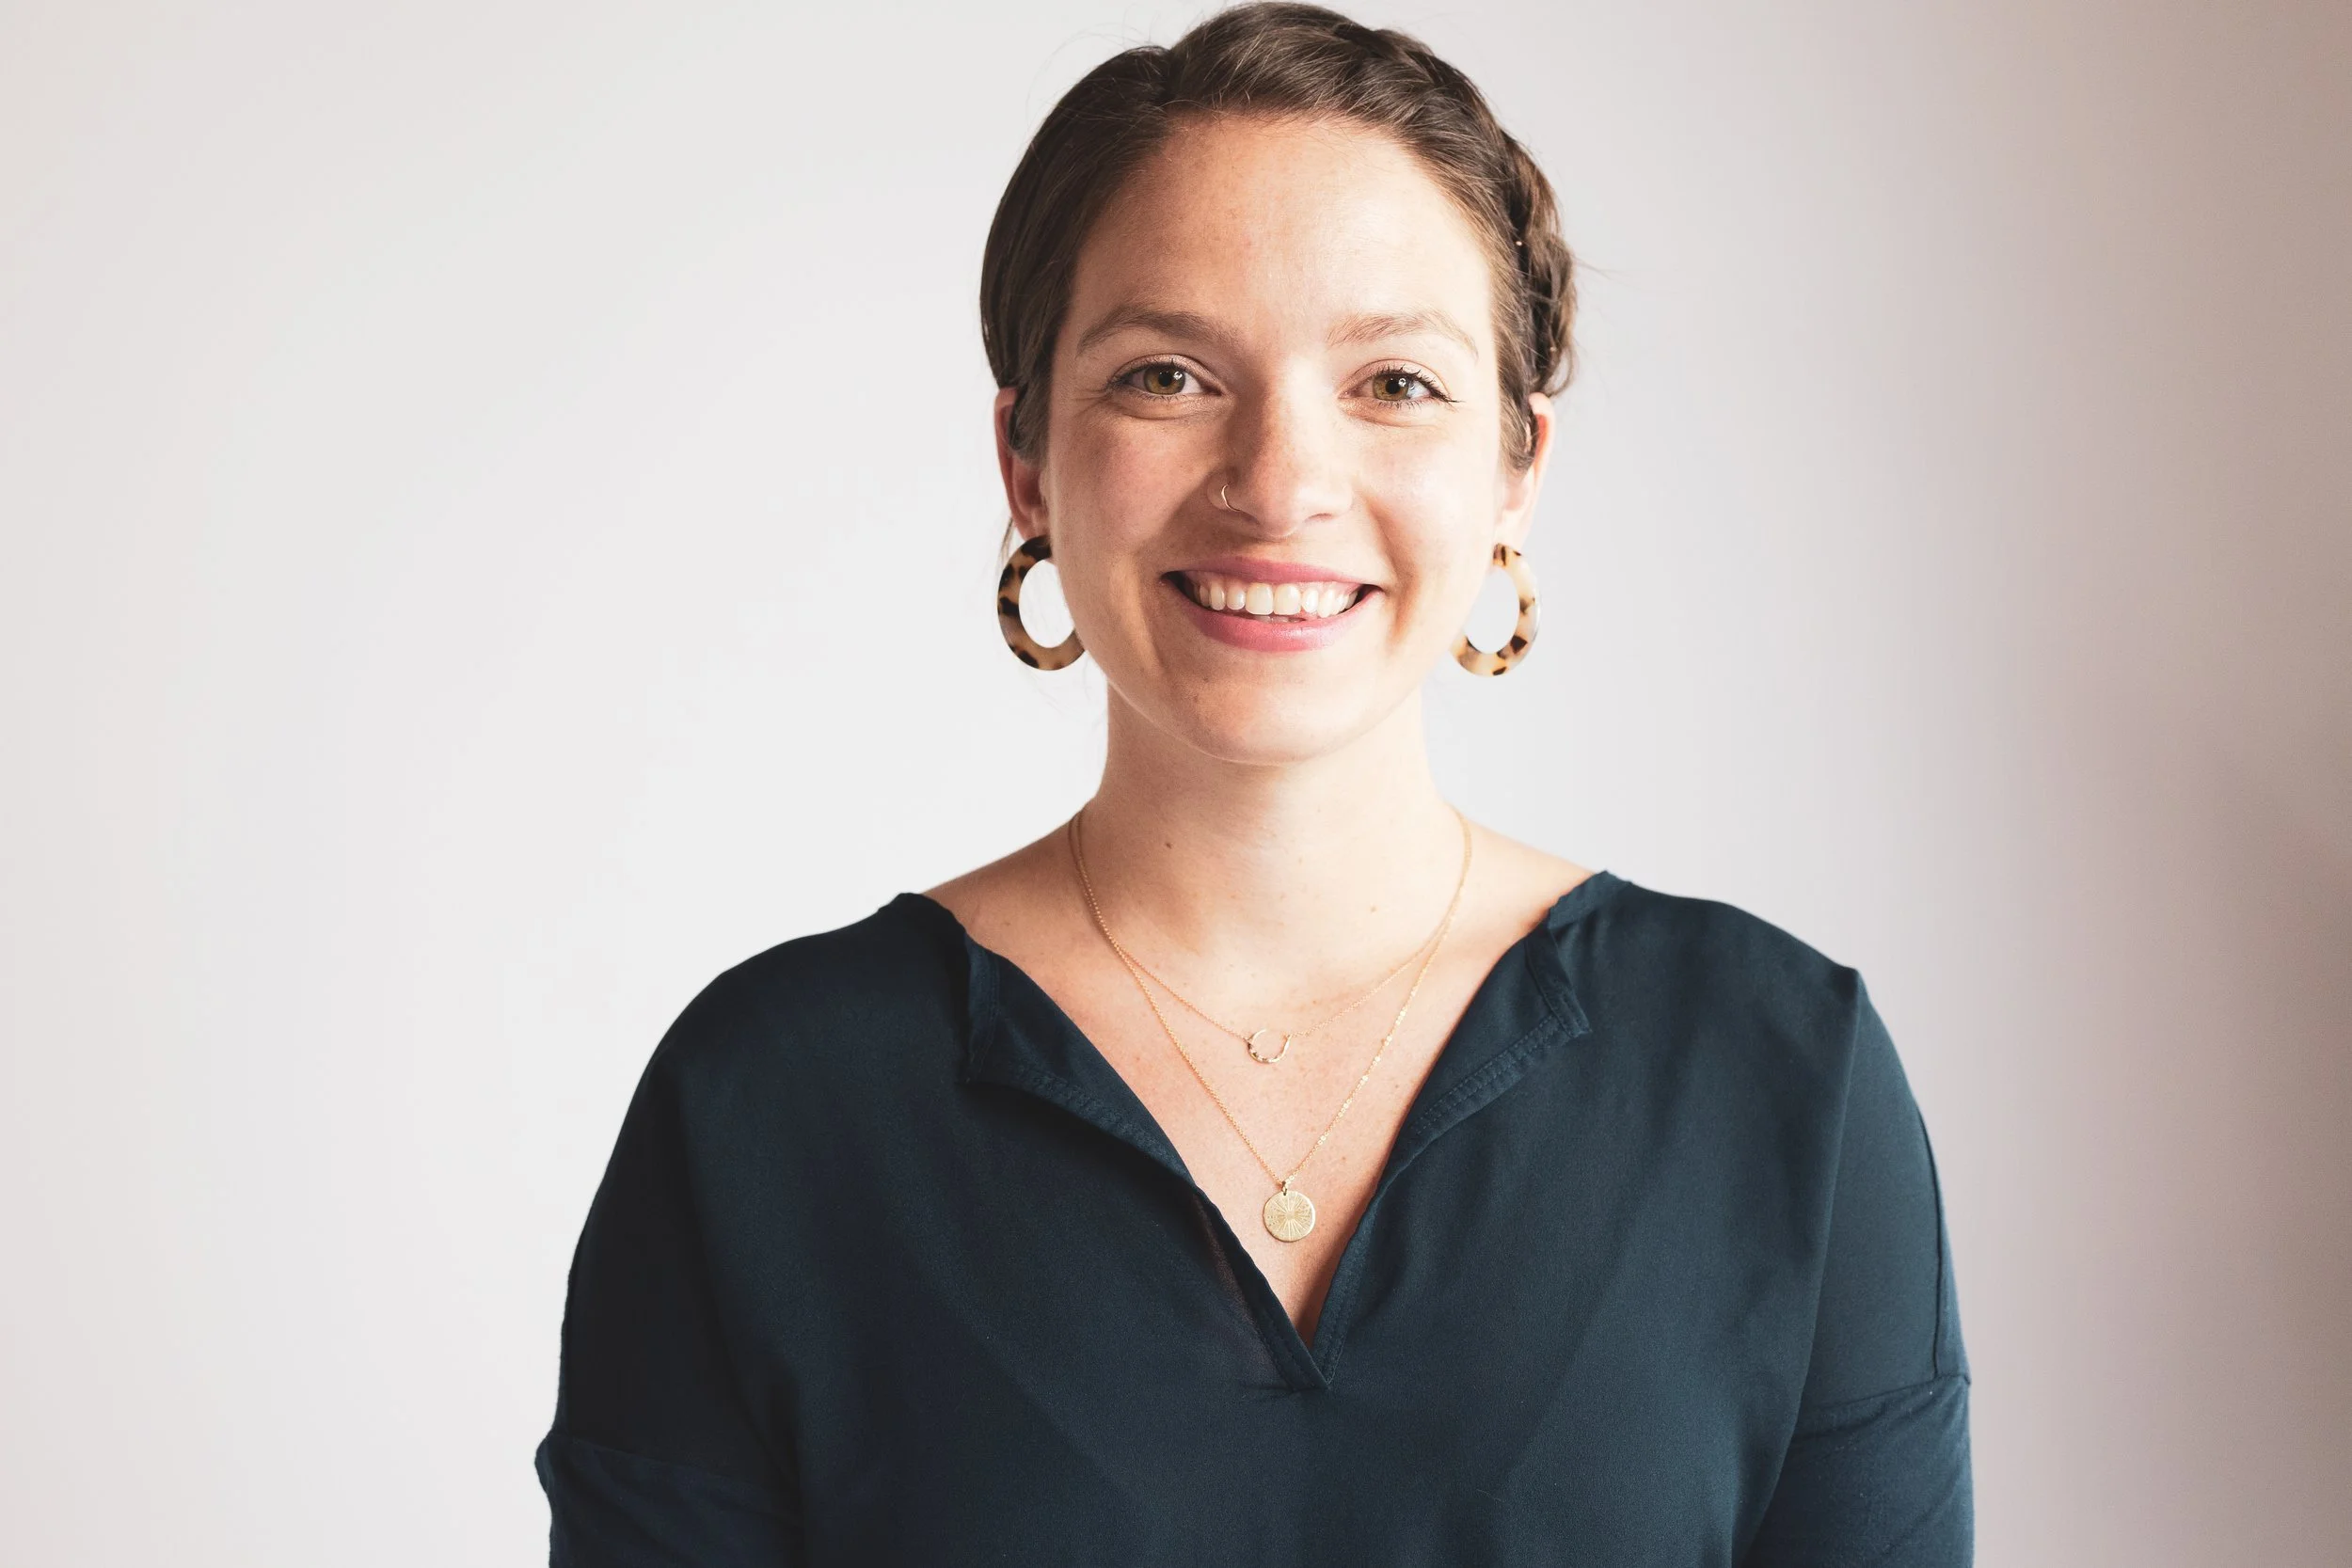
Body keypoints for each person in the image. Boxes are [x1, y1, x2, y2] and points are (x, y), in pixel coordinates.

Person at [533, 5, 1972, 1562]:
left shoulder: (1778, 1081)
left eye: (1396, 383)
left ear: (1516, 468)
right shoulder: (768, 1106)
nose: (1280, 480)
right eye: (1165, 373)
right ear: (1025, 459)